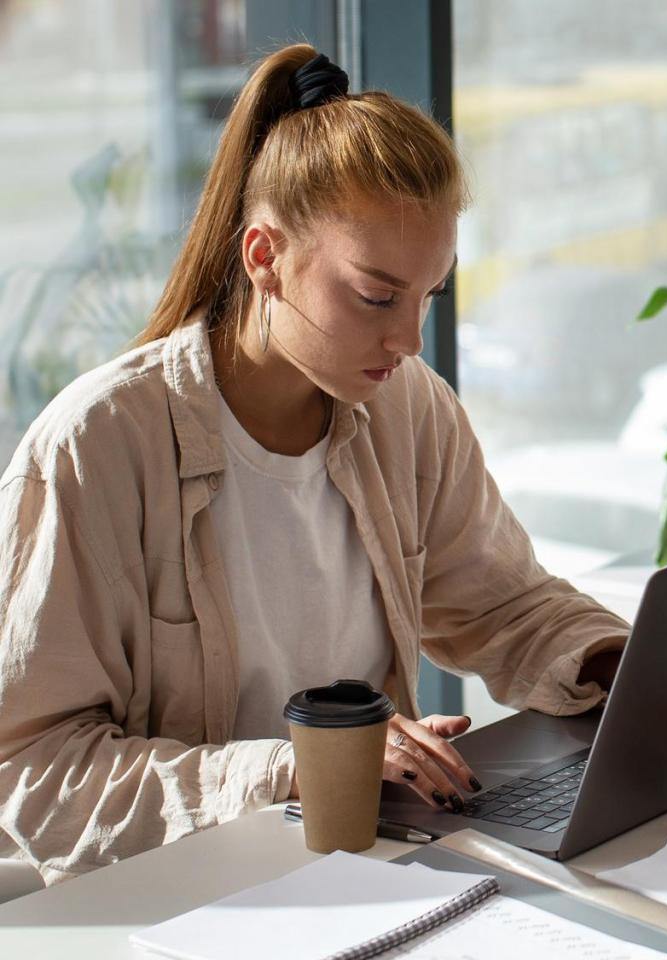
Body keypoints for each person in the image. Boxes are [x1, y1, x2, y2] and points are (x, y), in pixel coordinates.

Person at [0, 44, 629, 886]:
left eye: (428, 296)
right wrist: (301, 768)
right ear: (264, 258)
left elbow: (505, 606)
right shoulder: (95, 447)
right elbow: (30, 774)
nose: (408, 340)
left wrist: (622, 662)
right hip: (188, 903)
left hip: (379, 875)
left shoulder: (407, 407)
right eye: (376, 297)